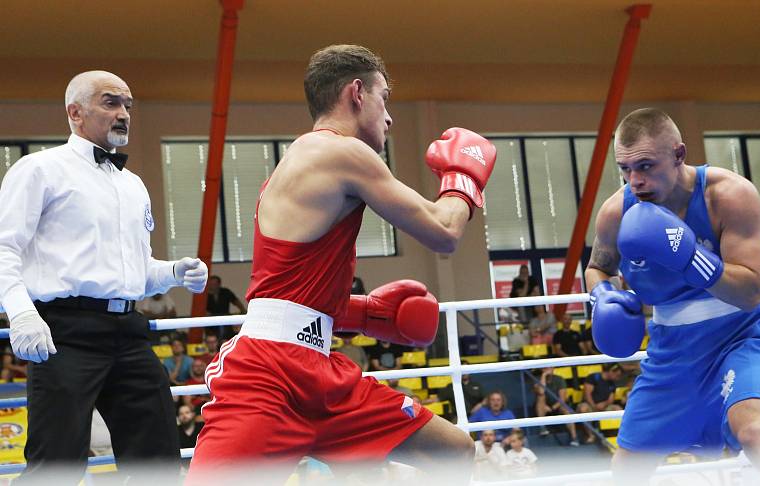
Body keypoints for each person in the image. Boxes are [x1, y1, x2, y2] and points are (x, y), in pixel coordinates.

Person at [186, 44, 496, 484]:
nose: (389, 116)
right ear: (356, 93)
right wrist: (463, 179)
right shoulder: (339, 152)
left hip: (321, 372)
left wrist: (361, 313)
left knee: (454, 450)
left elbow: (287, 287)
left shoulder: (305, 158)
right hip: (268, 375)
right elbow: (443, 230)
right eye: (383, 98)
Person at [0, 70, 208, 485]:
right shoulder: (38, 170)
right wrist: (21, 313)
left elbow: (133, 271)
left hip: (129, 332)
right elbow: (4, 249)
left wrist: (171, 273)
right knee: (55, 465)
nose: (124, 114)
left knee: (159, 458)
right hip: (64, 331)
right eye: (110, 102)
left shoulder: (132, 185)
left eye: (128, 105)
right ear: (75, 112)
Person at [586, 108, 760, 485]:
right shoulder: (616, 212)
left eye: (647, 166)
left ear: (679, 155)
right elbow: (597, 267)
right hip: (672, 347)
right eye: (625, 169)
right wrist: (602, 296)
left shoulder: (729, 195)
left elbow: (750, 291)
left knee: (757, 435)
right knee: (627, 466)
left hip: (743, 331)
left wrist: (690, 258)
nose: (635, 180)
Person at [576, 364, 623, 444]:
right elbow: (587, 394)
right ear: (611, 371)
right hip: (589, 404)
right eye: (617, 375)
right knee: (583, 409)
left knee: (618, 409)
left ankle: (614, 434)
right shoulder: (593, 377)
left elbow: (611, 399)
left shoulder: (612, 383)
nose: (618, 378)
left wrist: (603, 404)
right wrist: (594, 406)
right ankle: (590, 435)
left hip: (603, 406)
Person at [534, 367, 579, 447]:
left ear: (553, 369)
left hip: (557, 406)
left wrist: (553, 408)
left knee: (566, 411)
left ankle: (574, 437)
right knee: (540, 397)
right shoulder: (537, 379)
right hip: (543, 406)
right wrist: (544, 376)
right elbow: (541, 391)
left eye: (549, 368)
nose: (547, 370)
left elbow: (562, 399)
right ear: (541, 369)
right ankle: (542, 427)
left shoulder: (559, 379)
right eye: (545, 368)